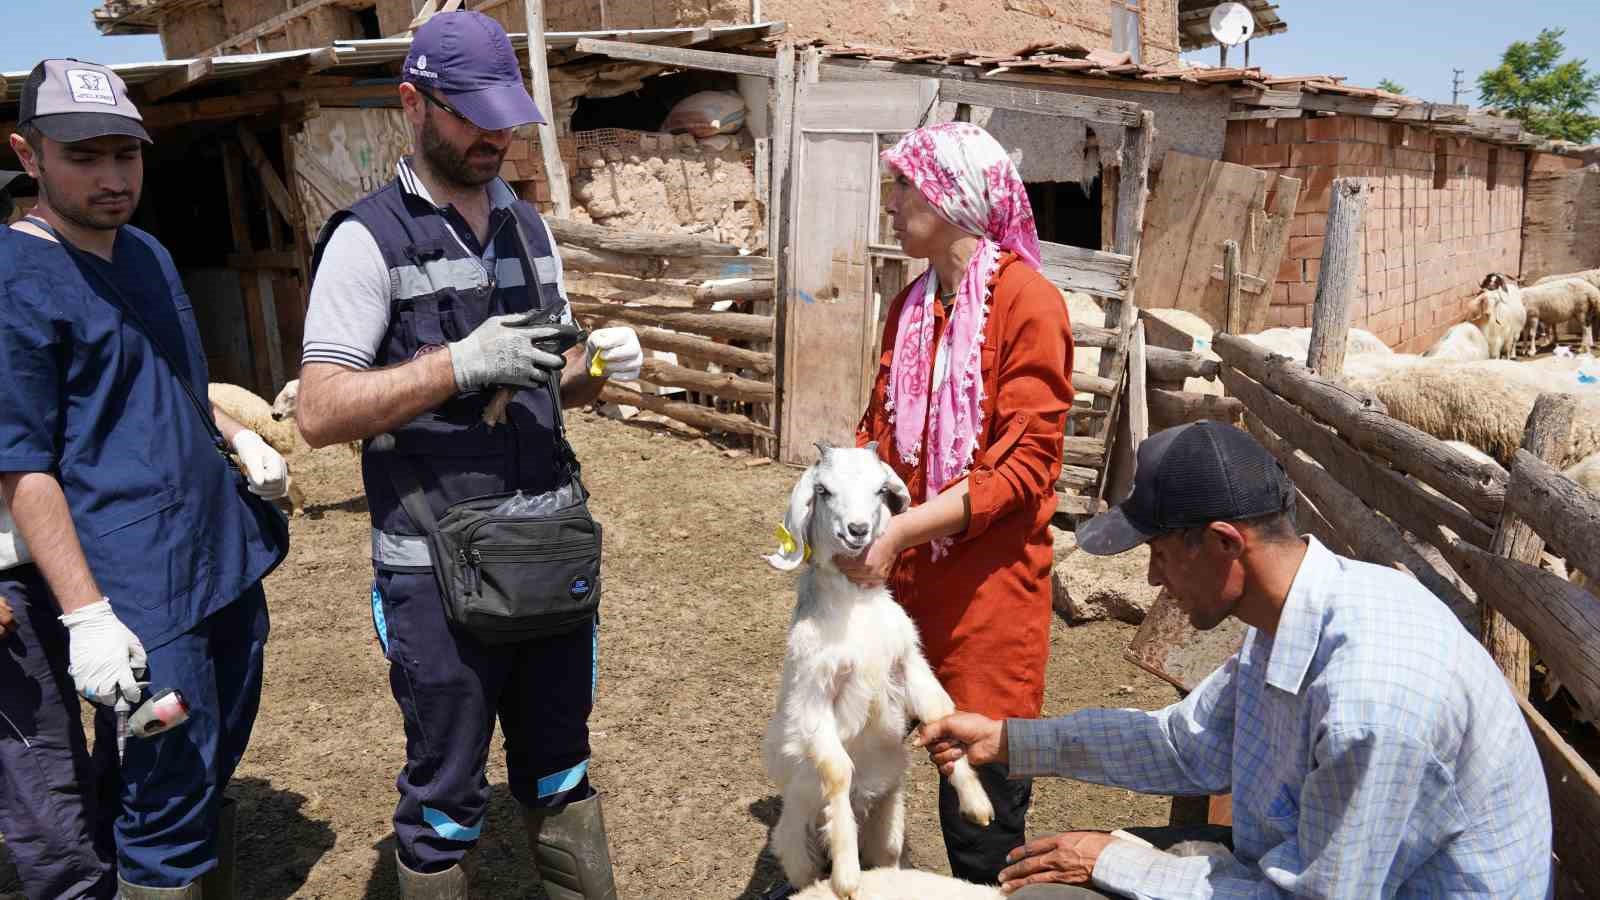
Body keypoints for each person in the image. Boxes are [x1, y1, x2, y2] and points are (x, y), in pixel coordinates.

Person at [294, 12, 642, 899]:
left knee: (562, 769)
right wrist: (455, 363)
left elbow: (549, 379)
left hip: (547, 549)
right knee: (447, 795)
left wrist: (595, 367)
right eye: (472, 115)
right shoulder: (366, 240)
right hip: (435, 572)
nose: (496, 136)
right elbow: (322, 411)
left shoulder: (528, 226)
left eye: (507, 117)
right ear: (413, 103)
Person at [918, 420, 1555, 898]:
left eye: (1161, 555)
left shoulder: (1372, 702)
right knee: (1042, 882)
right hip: (1300, 865)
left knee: (1057, 885)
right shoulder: (1289, 616)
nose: (1152, 579)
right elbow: (1184, 745)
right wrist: (1009, 740)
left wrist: (1120, 861)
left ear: (1224, 544)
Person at [0, 59, 291, 899]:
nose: (112, 176)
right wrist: (88, 616)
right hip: (138, 582)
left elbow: (160, 381)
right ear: (29, 155)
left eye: (124, 155)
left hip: (218, 553)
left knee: (215, 748)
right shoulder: (17, 283)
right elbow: (19, 464)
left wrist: (237, 436)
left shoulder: (149, 255)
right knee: (164, 780)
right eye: (83, 156)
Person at [839, 122, 1074, 885]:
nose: (891, 203)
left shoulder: (1029, 304)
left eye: (904, 187)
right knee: (867, 781)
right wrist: (847, 503)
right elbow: (880, 429)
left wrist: (902, 528)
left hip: (986, 601)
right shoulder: (912, 305)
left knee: (976, 803)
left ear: (951, 197)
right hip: (903, 591)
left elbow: (1024, 468)